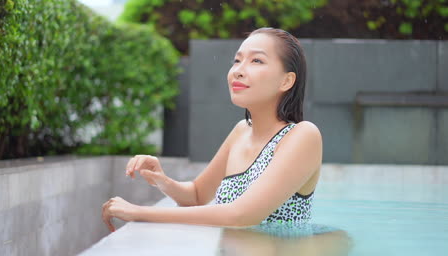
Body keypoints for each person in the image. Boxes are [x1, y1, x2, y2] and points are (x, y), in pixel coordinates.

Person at [102, 27, 322, 232]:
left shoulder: (303, 136)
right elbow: (197, 195)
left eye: (256, 60)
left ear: (286, 81)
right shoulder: (241, 131)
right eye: (237, 60)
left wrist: (140, 213)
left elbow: (241, 216)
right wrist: (162, 180)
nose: (238, 70)